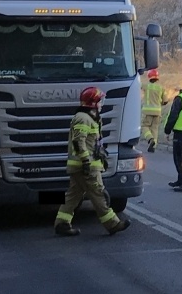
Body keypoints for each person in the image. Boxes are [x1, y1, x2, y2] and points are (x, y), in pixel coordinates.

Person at [54, 87, 130, 237]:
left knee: (73, 195)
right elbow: (78, 141)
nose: (102, 103)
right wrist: (86, 161)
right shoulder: (83, 118)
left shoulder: (89, 117)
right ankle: (113, 224)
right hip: (85, 167)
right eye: (100, 100)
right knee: (98, 194)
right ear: (93, 102)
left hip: (80, 166)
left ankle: (62, 224)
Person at [140, 68, 164, 153]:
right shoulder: (161, 87)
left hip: (147, 111)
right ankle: (154, 146)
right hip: (157, 112)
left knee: (144, 126)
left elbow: (139, 86)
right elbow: (165, 100)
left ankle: (150, 139)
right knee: (155, 129)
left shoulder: (146, 86)